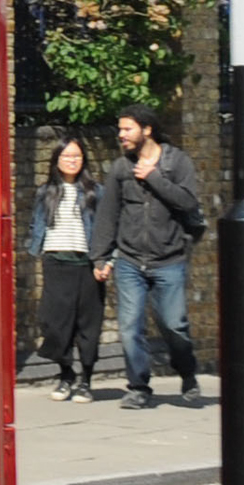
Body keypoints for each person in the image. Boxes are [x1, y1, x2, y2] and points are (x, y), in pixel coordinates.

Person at [92, 103, 205, 408]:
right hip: (130, 260)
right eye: (120, 129)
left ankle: (187, 374)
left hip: (168, 259)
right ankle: (139, 387)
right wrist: (100, 258)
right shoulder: (120, 168)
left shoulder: (177, 162)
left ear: (147, 130)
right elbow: (107, 214)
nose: (121, 135)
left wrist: (154, 178)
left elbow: (188, 203)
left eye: (127, 129)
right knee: (130, 327)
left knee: (173, 325)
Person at [24, 136, 104, 399]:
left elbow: (105, 230)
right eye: (67, 156)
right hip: (55, 263)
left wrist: (105, 260)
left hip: (87, 265)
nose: (72, 160)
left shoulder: (95, 191)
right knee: (54, 323)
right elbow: (36, 225)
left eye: (77, 156)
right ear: (57, 160)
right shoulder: (45, 191)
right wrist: (36, 248)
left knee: (87, 325)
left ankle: (86, 380)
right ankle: (66, 373)